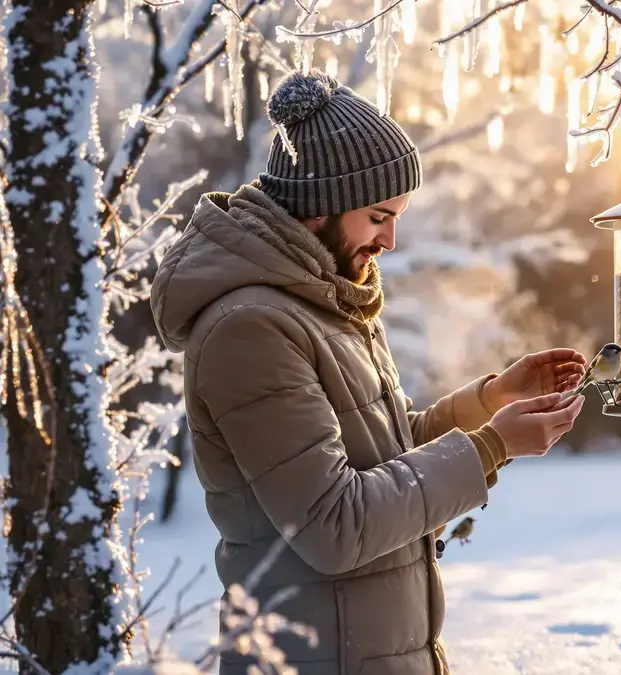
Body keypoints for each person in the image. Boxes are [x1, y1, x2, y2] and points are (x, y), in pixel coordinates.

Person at [149, 70, 588, 675]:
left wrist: (489, 400)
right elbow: (335, 523)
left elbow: (381, 456)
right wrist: (491, 446)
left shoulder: (325, 300)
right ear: (319, 204)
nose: (391, 240)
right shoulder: (250, 329)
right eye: (379, 216)